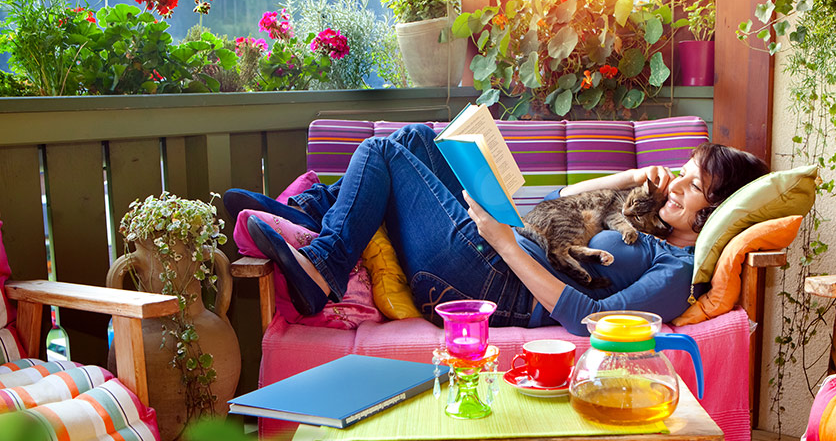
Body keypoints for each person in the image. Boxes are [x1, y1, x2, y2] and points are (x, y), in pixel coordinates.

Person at [226, 124, 768, 336]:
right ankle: (307, 219)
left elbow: (594, 323)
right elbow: (557, 204)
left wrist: (506, 244)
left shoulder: (674, 269)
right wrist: (630, 177)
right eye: (684, 173)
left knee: (381, 151)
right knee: (417, 139)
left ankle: (323, 264)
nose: (675, 183)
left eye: (692, 185)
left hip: (497, 284)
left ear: (713, 212)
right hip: (503, 250)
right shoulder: (645, 218)